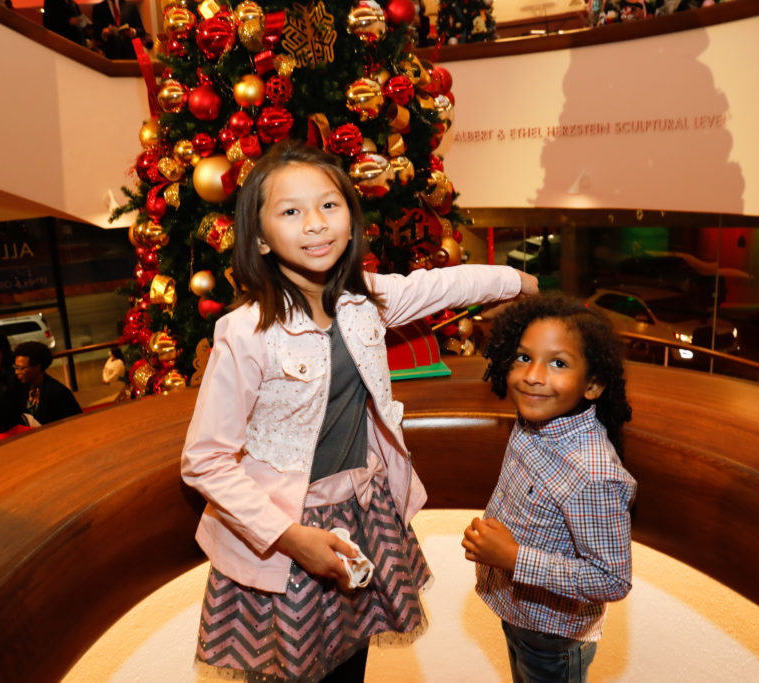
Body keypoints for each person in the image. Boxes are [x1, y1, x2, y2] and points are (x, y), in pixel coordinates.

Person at [181, 139, 538, 682]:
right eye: (291, 211)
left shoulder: (364, 300)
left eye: (329, 205)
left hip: (360, 512)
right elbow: (204, 460)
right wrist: (290, 537)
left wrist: (520, 282)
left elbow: (443, 284)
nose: (315, 224)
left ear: (350, 220)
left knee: (351, 664)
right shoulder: (244, 332)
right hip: (281, 533)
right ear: (260, 238)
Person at [462, 295, 636, 683]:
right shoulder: (532, 420)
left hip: (553, 641)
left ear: (593, 384)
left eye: (558, 363)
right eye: (524, 357)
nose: (533, 375)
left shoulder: (593, 474)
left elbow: (612, 579)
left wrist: (513, 557)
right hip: (519, 615)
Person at [13, 341, 82, 425]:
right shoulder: (23, 387)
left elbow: (76, 422)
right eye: (16, 367)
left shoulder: (57, 392)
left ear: (37, 367)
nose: (17, 372)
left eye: (21, 368)